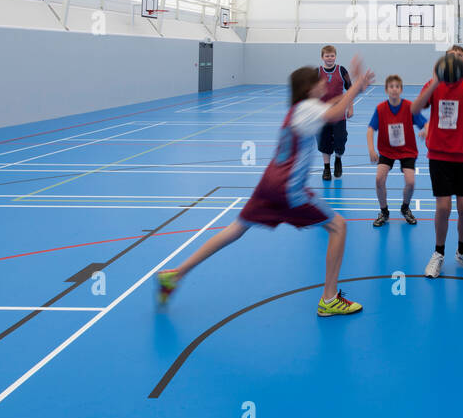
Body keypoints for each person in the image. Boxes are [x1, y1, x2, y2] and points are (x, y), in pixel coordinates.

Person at [156, 55, 376, 317]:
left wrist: (354, 90)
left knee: (236, 229)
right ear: (309, 88)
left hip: (267, 185)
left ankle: (176, 274)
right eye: (319, 82)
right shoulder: (309, 109)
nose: (323, 84)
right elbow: (336, 112)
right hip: (288, 190)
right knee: (338, 226)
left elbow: (332, 103)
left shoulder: (300, 109)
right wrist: (356, 85)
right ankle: (329, 299)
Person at [411, 45, 463, 277]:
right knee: (443, 207)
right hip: (439, 154)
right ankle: (438, 254)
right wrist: (436, 81)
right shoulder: (433, 85)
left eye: (460, 58)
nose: (455, 60)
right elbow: (415, 109)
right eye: (451, 58)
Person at [366, 74, 428, 227]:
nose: (394, 89)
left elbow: (426, 124)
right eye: (391, 87)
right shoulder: (380, 109)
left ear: (401, 89)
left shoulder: (409, 106)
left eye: (397, 87)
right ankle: (384, 211)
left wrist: (425, 130)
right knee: (379, 179)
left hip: (407, 150)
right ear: (386, 90)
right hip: (387, 150)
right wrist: (371, 149)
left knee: (411, 182)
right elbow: (370, 129)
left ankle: (405, 208)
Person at [316, 45, 353, 180]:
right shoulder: (317, 73)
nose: (330, 58)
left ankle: (338, 160)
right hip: (323, 114)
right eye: (327, 56)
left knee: (340, 139)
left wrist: (351, 107)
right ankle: (326, 169)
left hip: (339, 113)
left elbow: (350, 89)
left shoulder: (342, 70)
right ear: (322, 57)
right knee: (324, 142)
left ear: (335, 56)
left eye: (332, 55)